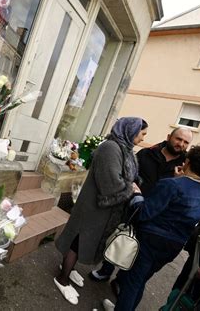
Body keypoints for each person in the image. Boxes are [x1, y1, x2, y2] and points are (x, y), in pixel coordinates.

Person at [104, 145, 200, 311]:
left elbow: (144, 213)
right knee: (140, 281)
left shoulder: (171, 184)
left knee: (132, 282)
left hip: (150, 240)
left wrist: (137, 194)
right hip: (174, 246)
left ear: (187, 161)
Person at [53, 117, 148, 305]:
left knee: (85, 241)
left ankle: (68, 269)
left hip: (103, 209)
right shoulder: (111, 148)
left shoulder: (124, 148)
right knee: (78, 240)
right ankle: (62, 279)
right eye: (142, 134)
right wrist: (131, 189)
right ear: (131, 130)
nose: (143, 139)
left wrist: (133, 185)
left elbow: (126, 177)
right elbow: (110, 183)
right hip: (92, 207)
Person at [90, 127, 193, 283]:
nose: (181, 144)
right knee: (120, 236)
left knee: (141, 250)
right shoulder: (147, 153)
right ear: (169, 136)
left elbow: (186, 193)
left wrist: (179, 180)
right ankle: (106, 270)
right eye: (178, 139)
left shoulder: (186, 165)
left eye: (186, 142)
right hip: (132, 204)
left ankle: (121, 281)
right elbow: (128, 173)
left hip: (157, 213)